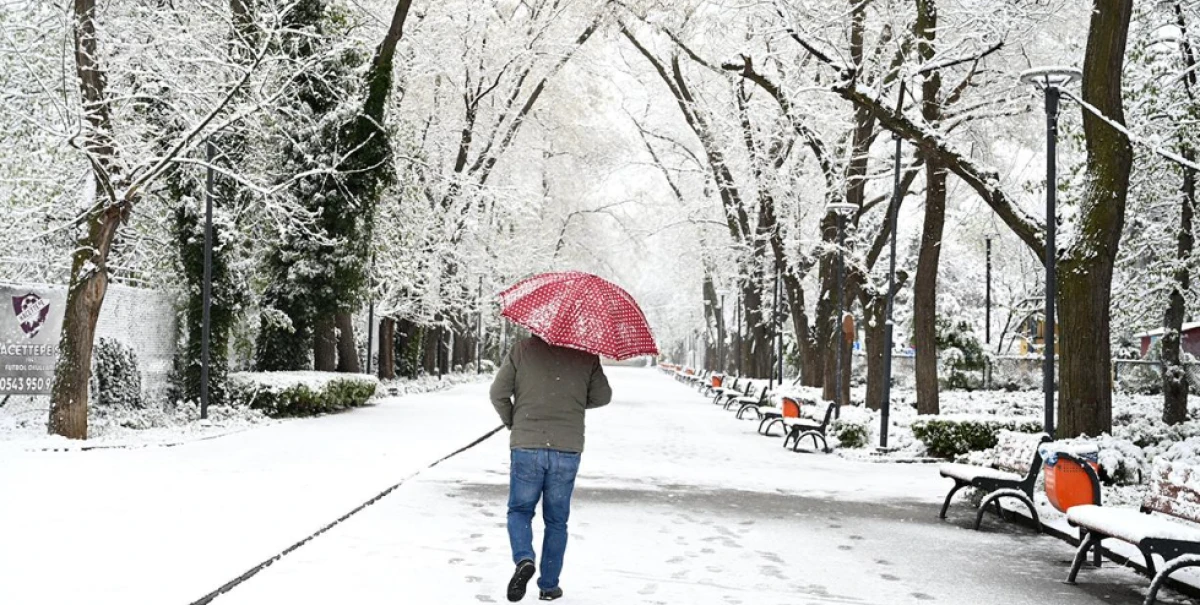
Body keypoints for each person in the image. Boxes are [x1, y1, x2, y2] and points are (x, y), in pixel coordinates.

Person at [489, 335, 612, 602]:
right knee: (557, 521)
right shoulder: (585, 353)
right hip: (567, 448)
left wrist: (513, 421)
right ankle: (548, 585)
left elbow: (497, 393)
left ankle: (524, 558)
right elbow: (604, 396)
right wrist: (574, 400)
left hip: (526, 445)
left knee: (520, 510)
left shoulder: (522, 350)